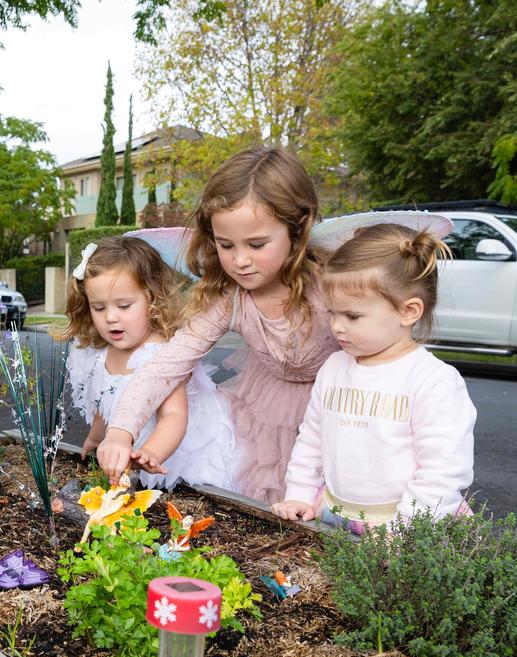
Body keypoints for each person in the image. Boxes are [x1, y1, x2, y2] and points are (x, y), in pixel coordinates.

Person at [96, 146, 340, 501]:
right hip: (270, 412)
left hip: (336, 405)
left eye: (257, 244)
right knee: (279, 502)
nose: (240, 260)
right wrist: (121, 429)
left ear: (297, 228)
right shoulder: (231, 296)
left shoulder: (331, 283)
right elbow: (167, 364)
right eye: (226, 245)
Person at [272, 224, 477, 533]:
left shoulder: (432, 380)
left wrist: (407, 528)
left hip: (402, 526)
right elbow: (312, 439)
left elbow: (443, 469)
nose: (337, 327)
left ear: (408, 312)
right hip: (335, 511)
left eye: (352, 316)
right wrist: (299, 494)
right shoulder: (334, 367)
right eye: (332, 313)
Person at [58, 235, 238, 490]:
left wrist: (152, 451)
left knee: (183, 492)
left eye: (124, 305)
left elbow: (174, 416)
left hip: (176, 450)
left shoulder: (162, 356)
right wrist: (97, 438)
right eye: (98, 308)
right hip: (130, 444)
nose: (110, 317)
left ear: (152, 299)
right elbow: (104, 403)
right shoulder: (99, 354)